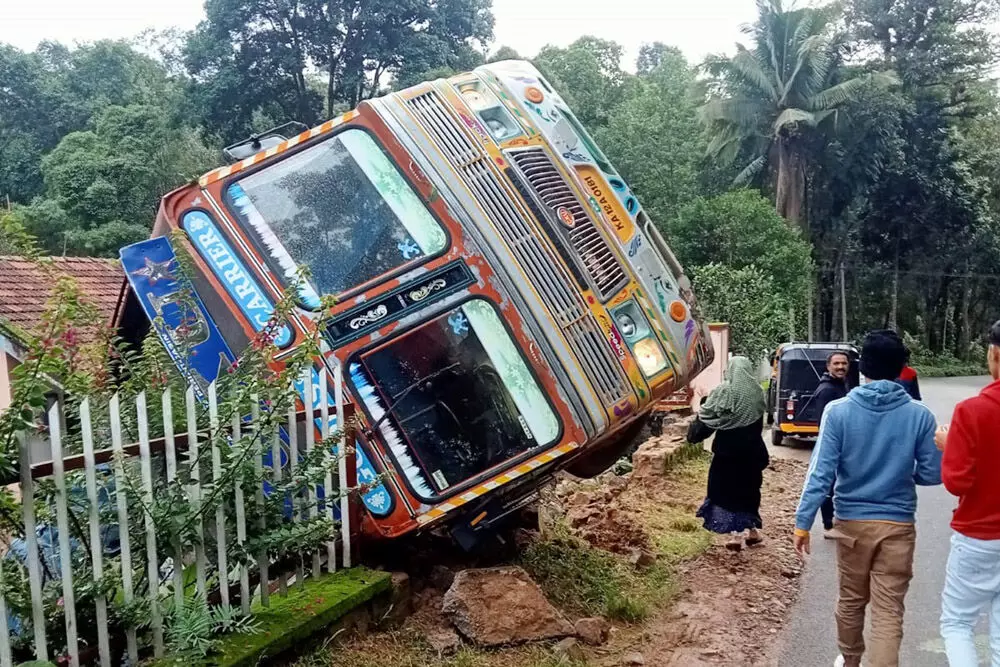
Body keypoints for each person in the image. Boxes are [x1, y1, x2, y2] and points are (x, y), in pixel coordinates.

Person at [793, 330, 941, 667]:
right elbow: (933, 474)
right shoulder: (920, 416)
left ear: (862, 368)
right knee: (889, 610)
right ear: (902, 369)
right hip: (898, 525)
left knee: (851, 599)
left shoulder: (838, 411)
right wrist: (904, 471)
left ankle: (851, 661)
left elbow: (821, 474)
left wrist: (803, 523)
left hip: (852, 524)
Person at [936, 319, 1000, 666]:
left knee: (958, 623)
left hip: (978, 535)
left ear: (993, 354)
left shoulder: (971, 411)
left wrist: (951, 445)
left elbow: (957, 482)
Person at [689, 356, 770, 552]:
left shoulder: (724, 392)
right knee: (749, 492)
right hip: (752, 455)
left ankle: (735, 536)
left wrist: (694, 434)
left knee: (726, 492)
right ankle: (752, 532)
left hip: (727, 455)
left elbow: (708, 418)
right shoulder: (758, 392)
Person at [813, 351, 851, 537]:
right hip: (832, 446)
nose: (840, 367)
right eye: (836, 364)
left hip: (842, 445)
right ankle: (828, 525)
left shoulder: (840, 385)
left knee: (837, 484)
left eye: (844, 363)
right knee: (828, 485)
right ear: (828, 367)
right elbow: (824, 423)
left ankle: (836, 522)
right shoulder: (828, 390)